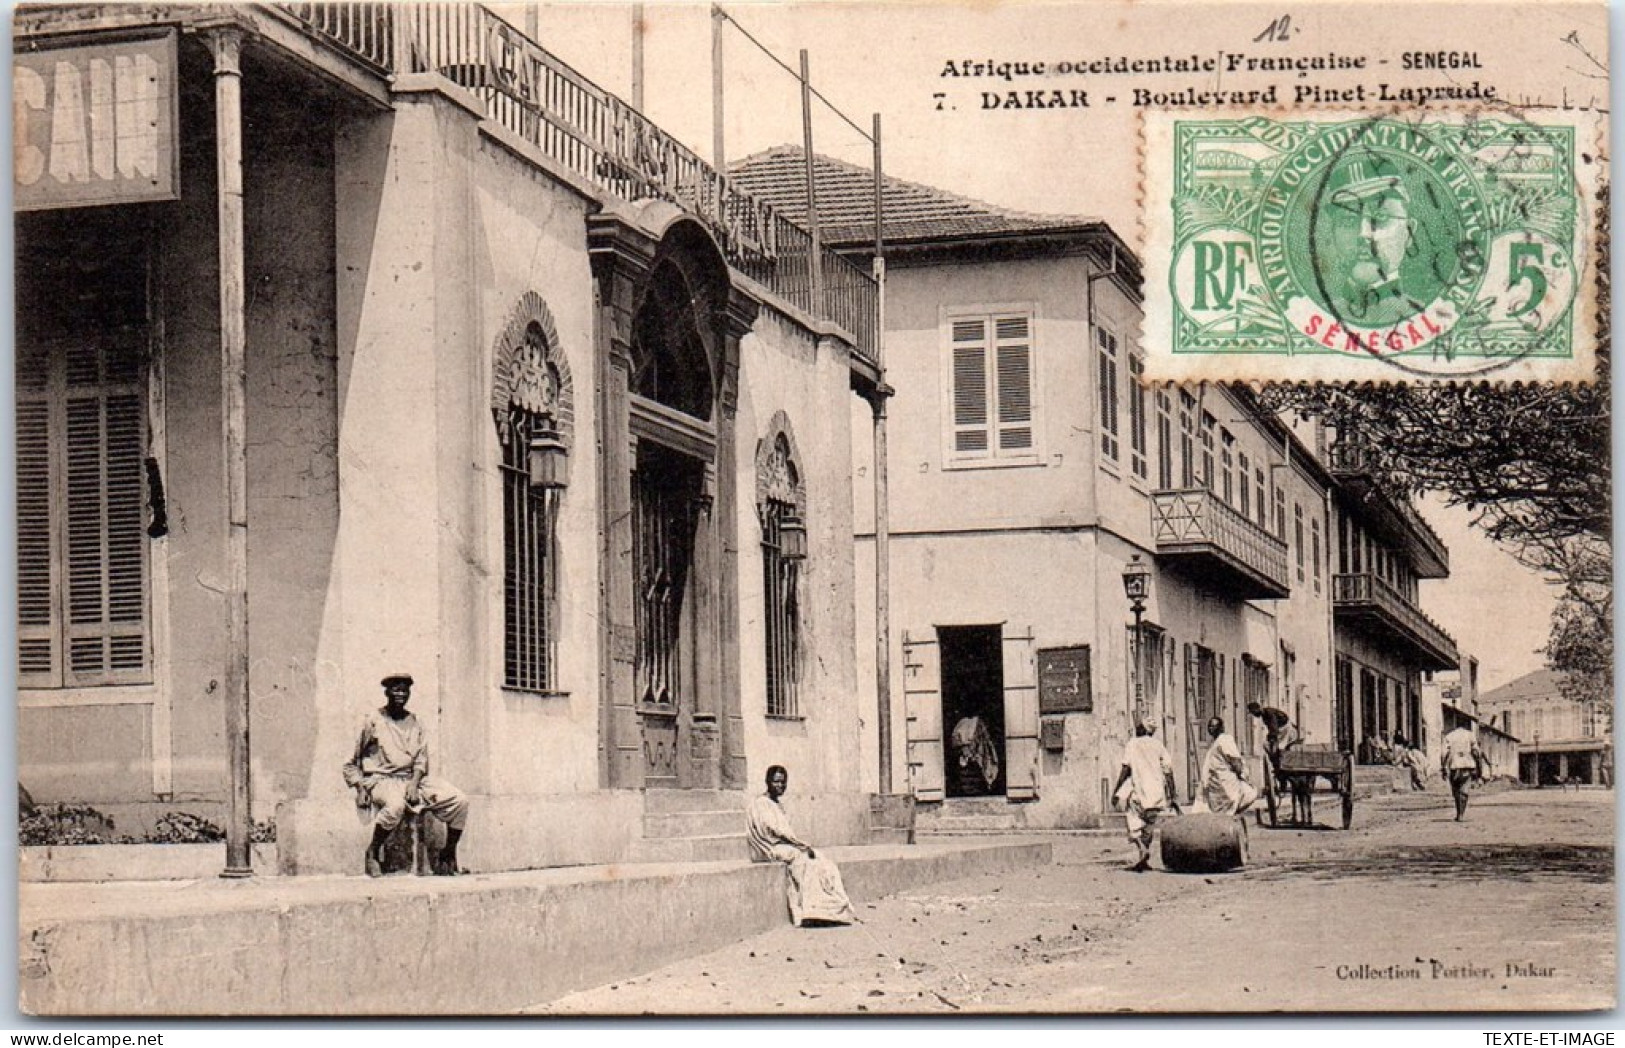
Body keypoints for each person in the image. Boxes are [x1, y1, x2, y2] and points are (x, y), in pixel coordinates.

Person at [342, 673, 471, 877]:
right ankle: (373, 851)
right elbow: (351, 762)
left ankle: (448, 854)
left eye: (405, 690)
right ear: (387, 693)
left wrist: (413, 783)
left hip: (411, 779)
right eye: (396, 689)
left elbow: (421, 759)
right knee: (395, 806)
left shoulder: (416, 722)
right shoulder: (373, 721)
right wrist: (360, 787)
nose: (401, 694)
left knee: (459, 800)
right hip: (381, 779)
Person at [745, 765, 855, 926]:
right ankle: (811, 910)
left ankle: (830, 907)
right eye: (776, 782)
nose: (780, 786)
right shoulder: (762, 804)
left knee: (822, 861)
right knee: (804, 860)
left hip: (781, 846)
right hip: (770, 848)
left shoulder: (775, 804)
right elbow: (776, 832)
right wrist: (801, 846)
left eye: (783, 782)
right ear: (768, 782)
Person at [1112, 721, 1179, 872]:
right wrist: (1172, 795)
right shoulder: (1158, 745)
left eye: (1138, 727)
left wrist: (1117, 790)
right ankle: (1143, 860)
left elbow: (1125, 769)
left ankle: (1142, 849)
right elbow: (1168, 771)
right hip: (1156, 793)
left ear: (1143, 729)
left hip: (1140, 791)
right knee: (1149, 826)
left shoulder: (1133, 744)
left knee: (1133, 821)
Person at [1200, 716, 1259, 817]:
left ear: (1221, 728)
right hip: (1217, 782)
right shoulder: (1216, 742)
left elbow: (1235, 760)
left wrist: (1241, 774)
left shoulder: (1225, 739)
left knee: (1245, 794)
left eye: (1214, 726)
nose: (1211, 728)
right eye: (1209, 726)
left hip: (1226, 781)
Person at [1440, 722, 1486, 822]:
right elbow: (1476, 752)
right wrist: (1479, 768)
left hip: (1454, 766)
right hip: (1467, 766)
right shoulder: (1470, 735)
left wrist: (1443, 767)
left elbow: (1444, 753)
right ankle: (1461, 814)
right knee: (1464, 791)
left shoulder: (1450, 736)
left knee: (1456, 791)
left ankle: (1458, 813)